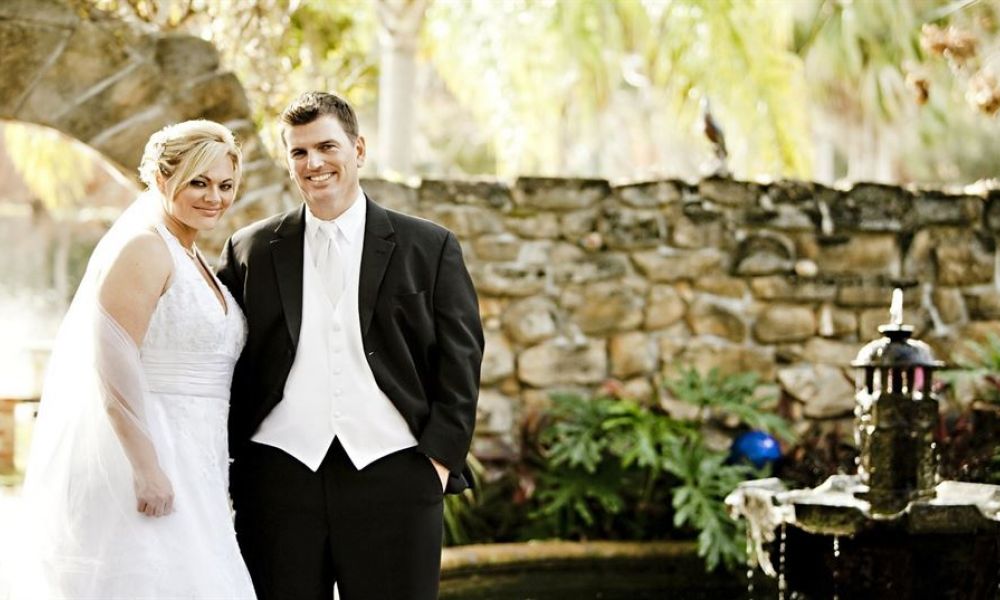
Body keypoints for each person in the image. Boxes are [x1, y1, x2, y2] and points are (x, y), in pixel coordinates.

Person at [217, 91, 484, 600]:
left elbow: (462, 359)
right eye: (299, 152)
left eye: (327, 147)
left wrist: (437, 463)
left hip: (397, 475)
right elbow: (222, 358)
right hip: (279, 479)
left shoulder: (429, 247)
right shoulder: (251, 249)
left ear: (358, 150)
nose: (313, 163)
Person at [10, 120, 256, 599]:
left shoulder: (193, 257)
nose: (215, 197)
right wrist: (146, 468)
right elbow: (112, 361)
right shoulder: (145, 248)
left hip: (200, 457)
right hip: (155, 451)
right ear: (163, 179)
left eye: (226, 185)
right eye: (199, 183)